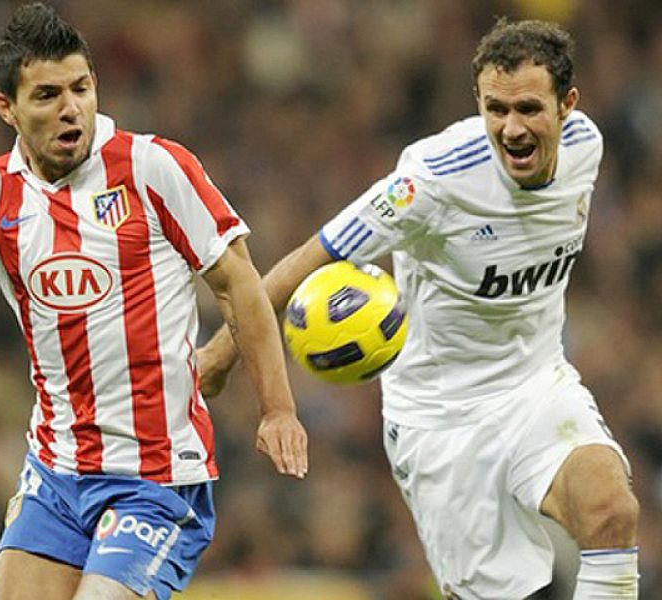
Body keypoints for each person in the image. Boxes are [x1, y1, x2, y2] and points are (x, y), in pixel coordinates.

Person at [0, 3, 308, 600]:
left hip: (155, 477)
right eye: (47, 95)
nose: (70, 108)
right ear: (7, 108)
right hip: (55, 473)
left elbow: (238, 283)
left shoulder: (152, 167)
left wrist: (277, 408)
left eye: (80, 88)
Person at [198, 18, 639, 600]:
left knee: (611, 510)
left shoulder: (587, 146)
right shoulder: (431, 180)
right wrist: (220, 355)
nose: (511, 128)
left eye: (529, 109)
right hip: (440, 416)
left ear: (568, 105)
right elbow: (308, 258)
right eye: (496, 109)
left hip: (535, 385)